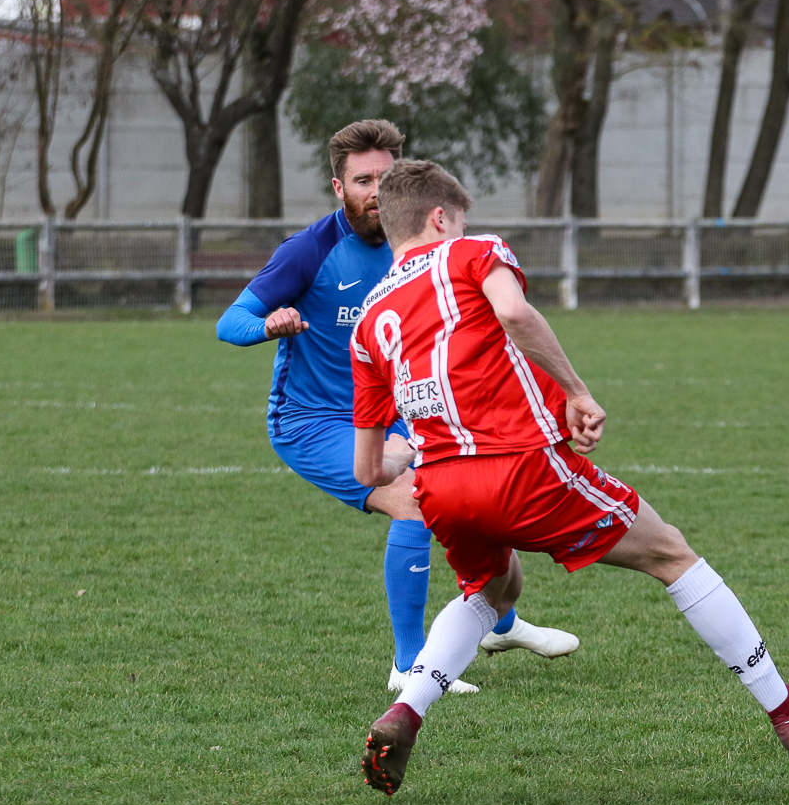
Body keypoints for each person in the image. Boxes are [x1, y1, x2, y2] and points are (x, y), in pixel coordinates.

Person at [350, 159, 789, 795]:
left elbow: (370, 469)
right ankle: (787, 708)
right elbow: (515, 314)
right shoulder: (471, 252)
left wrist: (411, 449)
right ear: (440, 218)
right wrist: (577, 391)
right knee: (671, 553)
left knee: (492, 590)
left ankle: (405, 712)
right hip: (520, 467)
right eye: (461, 221)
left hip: (441, 487)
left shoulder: (370, 319)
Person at [216, 120, 577, 696]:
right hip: (313, 421)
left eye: (385, 180)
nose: (375, 193)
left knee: (472, 491)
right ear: (339, 188)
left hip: (399, 412)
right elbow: (228, 322)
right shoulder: (309, 250)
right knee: (413, 503)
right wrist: (267, 325)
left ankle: (499, 624)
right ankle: (409, 665)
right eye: (362, 181)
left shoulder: (417, 249)